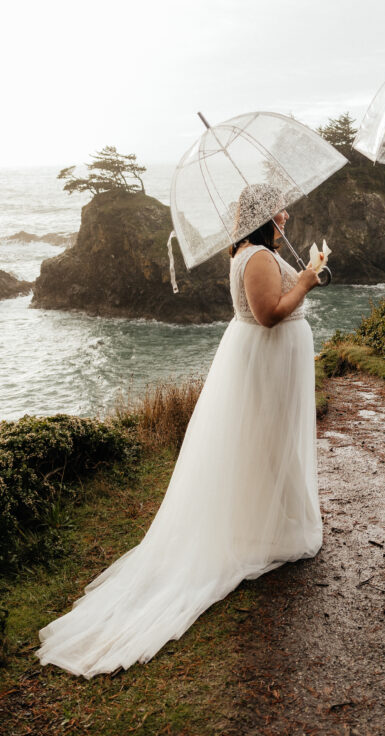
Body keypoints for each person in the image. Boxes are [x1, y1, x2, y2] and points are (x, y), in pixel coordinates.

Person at [38, 197, 322, 677]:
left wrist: (307, 269)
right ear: (261, 217)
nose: (286, 216)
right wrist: (309, 279)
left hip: (272, 360)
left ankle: (279, 520)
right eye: (278, 210)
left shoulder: (255, 252)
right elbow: (269, 313)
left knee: (271, 445)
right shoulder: (254, 257)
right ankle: (275, 527)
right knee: (269, 444)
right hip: (266, 359)